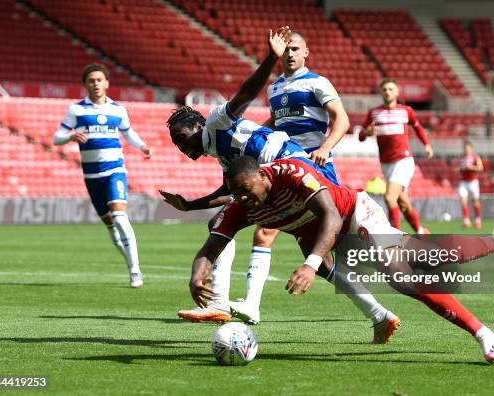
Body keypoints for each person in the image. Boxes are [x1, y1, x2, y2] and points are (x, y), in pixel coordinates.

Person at [161, 27, 400, 344]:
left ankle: (227, 303)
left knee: (329, 245)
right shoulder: (222, 151)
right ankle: (380, 314)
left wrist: (269, 59)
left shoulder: (218, 119)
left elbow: (246, 93)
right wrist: (189, 205)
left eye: (181, 138)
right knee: (323, 255)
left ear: (197, 125)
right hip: (283, 172)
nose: (181, 146)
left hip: (301, 168)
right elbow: (232, 193)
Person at [187, 155, 494, 363]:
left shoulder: (291, 173)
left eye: (246, 191)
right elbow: (210, 248)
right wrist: (197, 275)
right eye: (236, 194)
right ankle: (390, 320)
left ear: (262, 176)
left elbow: (329, 213)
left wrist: (311, 264)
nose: (243, 200)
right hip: (317, 236)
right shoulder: (240, 207)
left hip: (351, 215)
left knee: (410, 270)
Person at [227, 30, 351, 324]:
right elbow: (276, 122)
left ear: (306, 52)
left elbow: (342, 119)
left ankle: (252, 305)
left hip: (313, 167)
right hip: (285, 168)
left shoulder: (317, 82)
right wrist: (253, 136)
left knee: (323, 244)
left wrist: (325, 147)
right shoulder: (274, 89)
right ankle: (373, 307)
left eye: (296, 49)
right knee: (290, 243)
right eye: (286, 50)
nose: (290, 54)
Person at [53, 63, 151, 288]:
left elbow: (128, 133)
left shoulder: (118, 110)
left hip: (115, 170)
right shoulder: (76, 110)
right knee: (109, 224)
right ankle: (129, 262)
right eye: (91, 80)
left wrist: (142, 146)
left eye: (99, 80)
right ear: (85, 84)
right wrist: (70, 137)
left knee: (119, 217)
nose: (96, 84)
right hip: (92, 176)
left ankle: (135, 271)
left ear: (106, 83)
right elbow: (56, 137)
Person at [359, 78, 432, 235]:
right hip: (386, 163)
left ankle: (395, 238)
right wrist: (366, 133)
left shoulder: (406, 111)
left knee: (389, 197)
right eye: (385, 89)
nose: (388, 92)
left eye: (391, 89)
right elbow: (360, 136)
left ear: (397, 92)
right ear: (381, 92)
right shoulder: (374, 113)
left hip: (404, 160)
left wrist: (427, 145)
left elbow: (418, 127)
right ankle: (421, 231)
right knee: (403, 203)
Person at [458, 140, 484, 229]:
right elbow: (459, 169)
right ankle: (466, 221)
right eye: (465, 148)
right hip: (464, 181)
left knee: (475, 202)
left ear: (471, 148)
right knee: (463, 200)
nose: (466, 149)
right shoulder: (461, 157)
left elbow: (481, 168)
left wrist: (471, 167)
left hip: (473, 181)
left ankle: (478, 220)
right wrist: (461, 169)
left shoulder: (475, 157)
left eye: (467, 148)